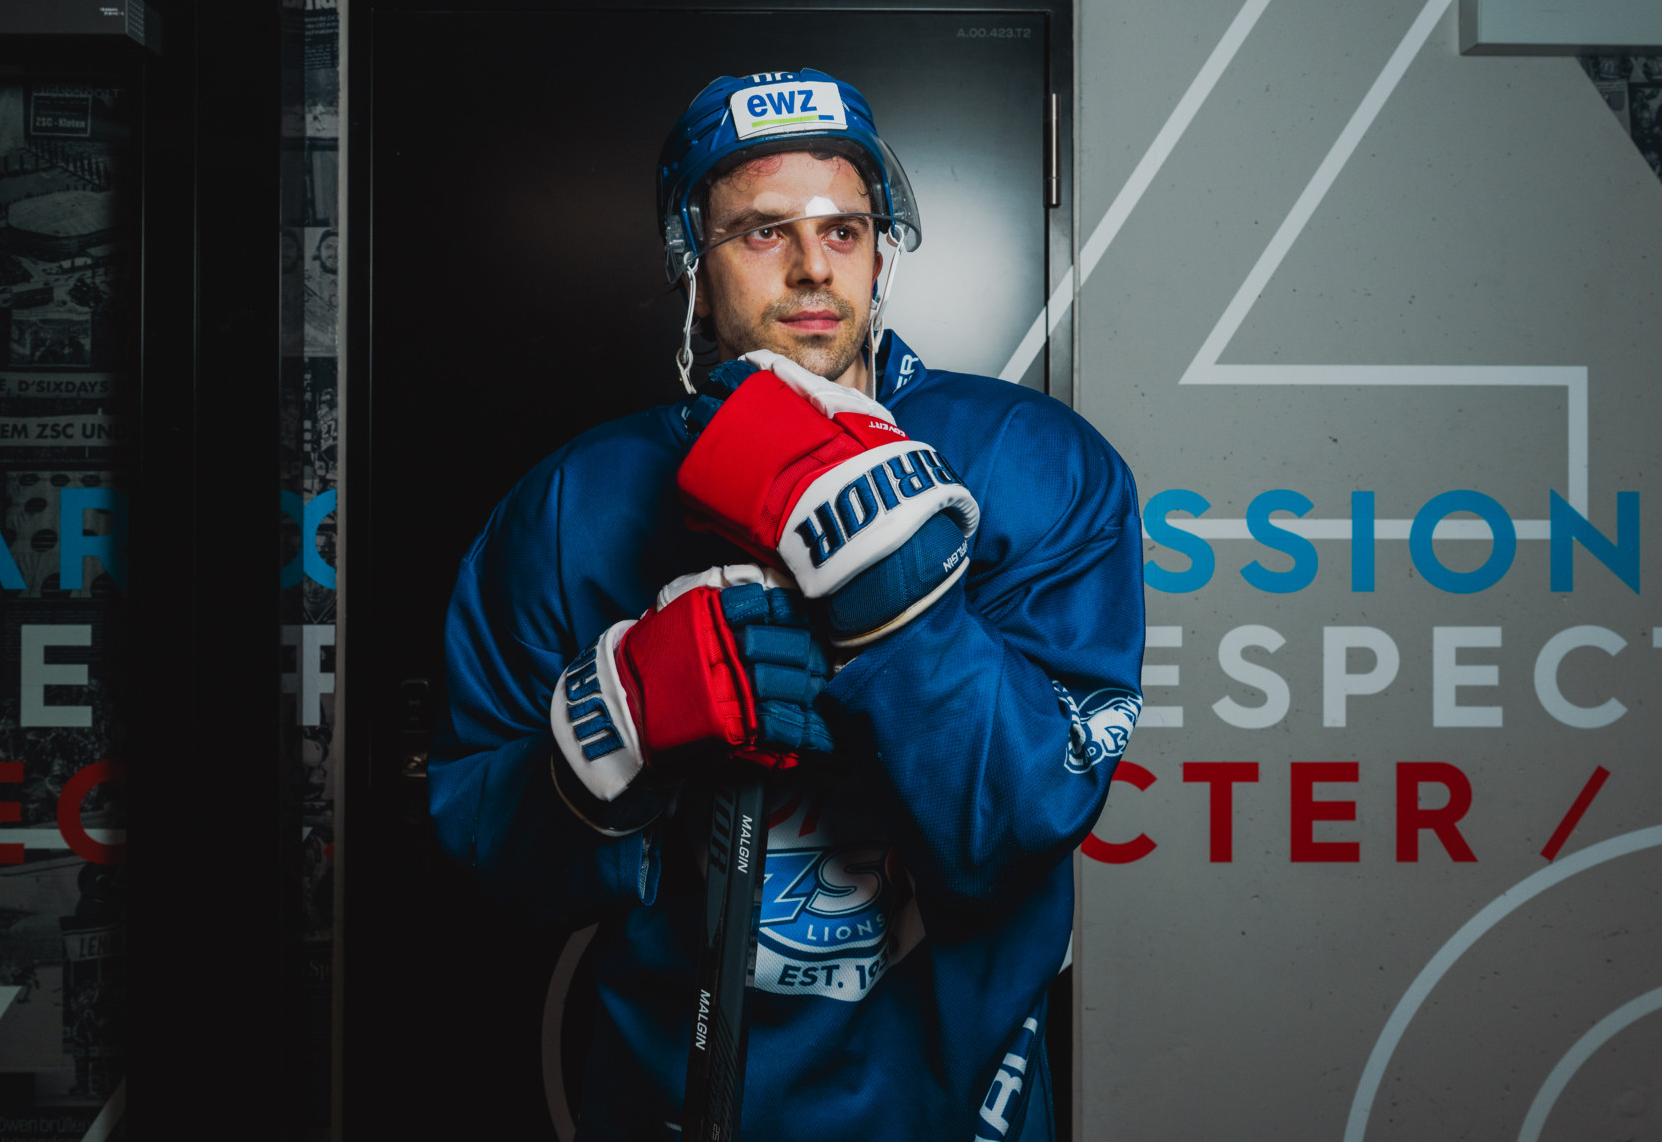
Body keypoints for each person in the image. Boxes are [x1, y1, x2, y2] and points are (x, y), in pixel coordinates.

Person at [431, 69, 1145, 1140]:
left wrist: (902, 613)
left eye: (844, 230)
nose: (814, 266)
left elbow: (1017, 830)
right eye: (764, 231)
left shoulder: (1030, 462)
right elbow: (481, 843)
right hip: (665, 1102)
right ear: (692, 270)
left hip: (950, 1110)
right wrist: (608, 737)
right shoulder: (577, 504)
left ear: (878, 252)